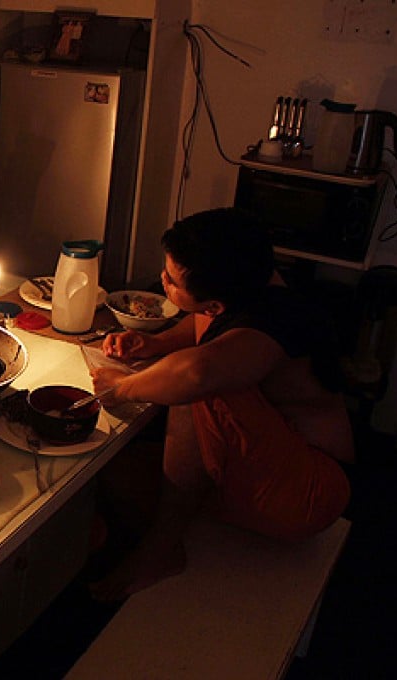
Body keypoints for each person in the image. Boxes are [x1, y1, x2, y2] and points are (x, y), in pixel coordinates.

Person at [88, 208, 353, 600]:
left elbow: (197, 373)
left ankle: (159, 552)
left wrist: (122, 388)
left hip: (306, 491)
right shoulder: (252, 283)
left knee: (198, 387)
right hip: (257, 464)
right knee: (114, 474)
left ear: (212, 303)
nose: (162, 282)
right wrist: (157, 343)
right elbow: (209, 326)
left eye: (172, 281)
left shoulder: (271, 324)